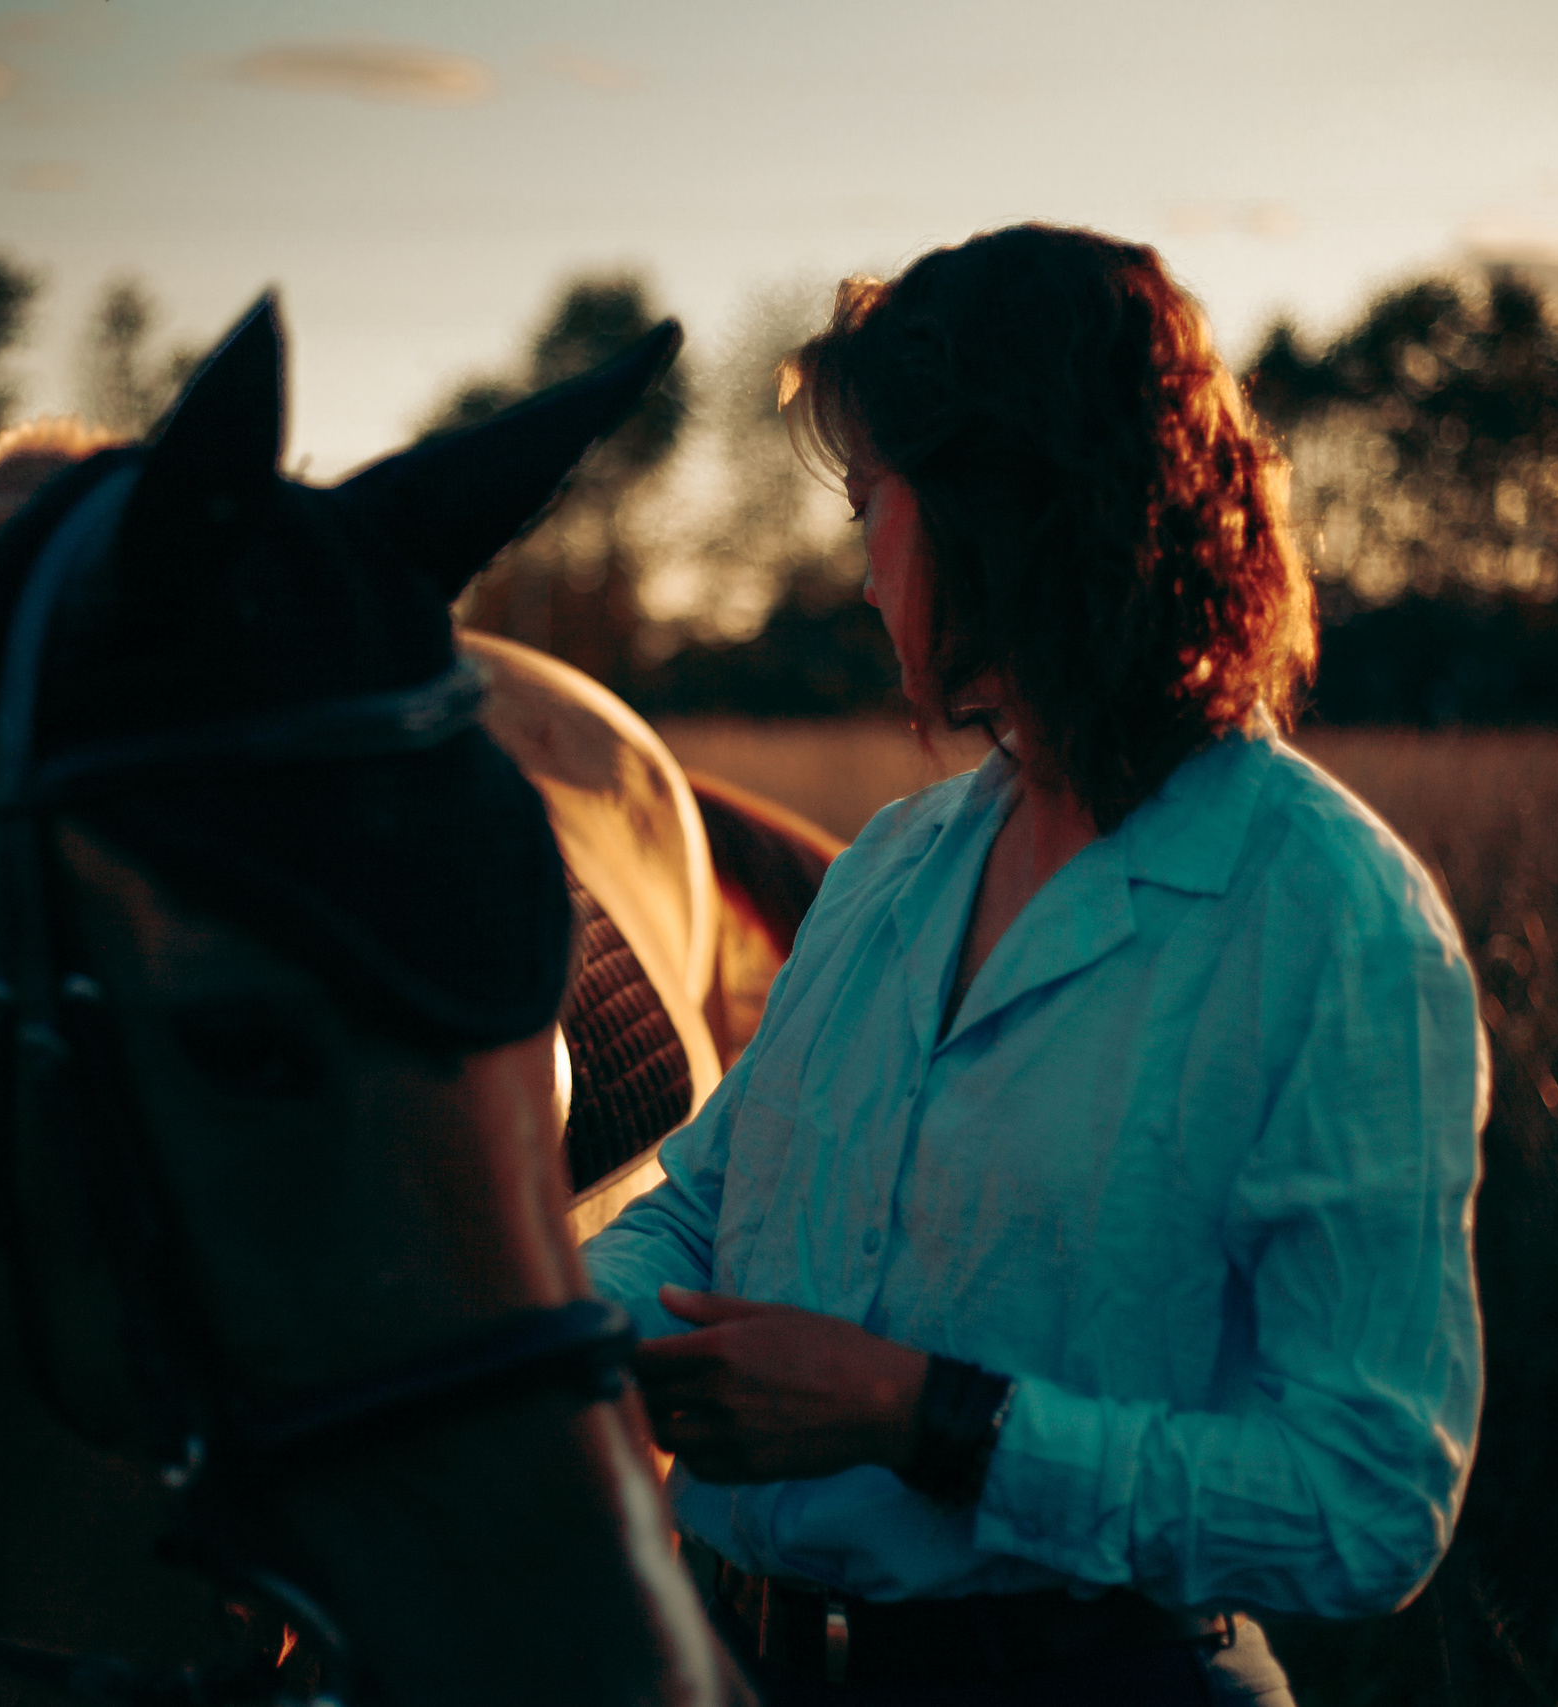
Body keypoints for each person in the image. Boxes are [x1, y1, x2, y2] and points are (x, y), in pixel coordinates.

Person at [582, 224, 1487, 1706]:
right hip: (729, 1663)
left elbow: (1367, 1504)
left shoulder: (1331, 922)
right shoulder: (892, 864)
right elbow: (706, 1208)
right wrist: (558, 1329)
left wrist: (923, 1420)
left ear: (1001, 514)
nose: (863, 570)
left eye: (875, 503)